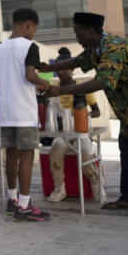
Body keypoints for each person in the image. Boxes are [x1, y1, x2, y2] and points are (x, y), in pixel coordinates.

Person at [46, 12, 128, 217]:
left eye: (78, 33)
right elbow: (76, 62)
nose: (77, 38)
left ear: (91, 31)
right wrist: (47, 68)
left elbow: (102, 81)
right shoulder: (96, 47)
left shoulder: (113, 48)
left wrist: (61, 90)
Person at [0, 8, 51, 222]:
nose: (33, 32)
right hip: (24, 111)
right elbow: (29, 75)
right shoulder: (29, 46)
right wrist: (44, 83)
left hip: (5, 112)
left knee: (11, 155)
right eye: (34, 28)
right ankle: (25, 205)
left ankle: (12, 200)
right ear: (27, 24)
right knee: (27, 155)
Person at [46, 47, 105, 203]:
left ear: (72, 69)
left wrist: (81, 116)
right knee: (55, 150)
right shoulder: (54, 89)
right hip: (63, 134)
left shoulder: (83, 88)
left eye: (64, 68)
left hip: (81, 131)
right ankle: (60, 188)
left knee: (86, 154)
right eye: (58, 68)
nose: (60, 72)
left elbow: (97, 111)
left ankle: (97, 183)